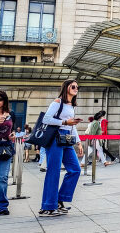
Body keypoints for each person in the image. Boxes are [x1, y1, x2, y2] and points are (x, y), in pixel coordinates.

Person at [39, 79, 84, 217]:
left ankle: (59, 200)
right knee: (54, 171)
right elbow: (46, 119)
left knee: (75, 169)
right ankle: (48, 207)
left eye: (77, 87)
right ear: (66, 87)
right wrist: (64, 121)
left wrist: (79, 142)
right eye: (73, 86)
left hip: (67, 138)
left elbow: (72, 125)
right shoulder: (58, 102)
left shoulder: (71, 105)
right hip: (55, 138)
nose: (76, 88)